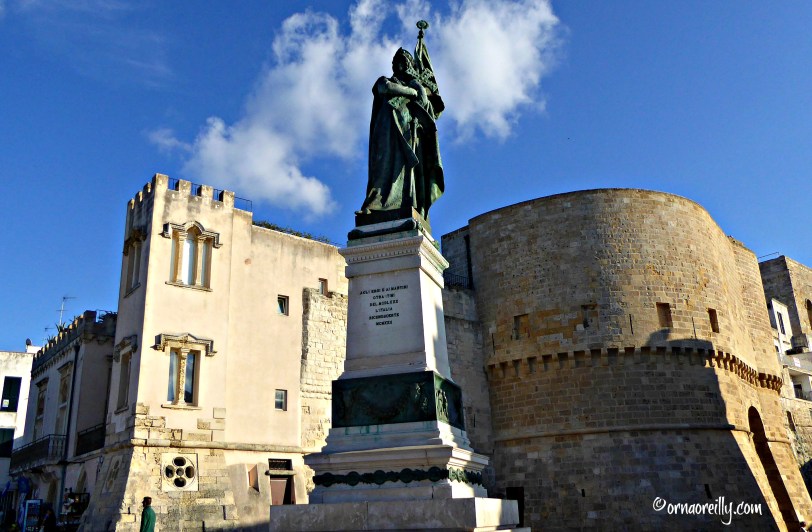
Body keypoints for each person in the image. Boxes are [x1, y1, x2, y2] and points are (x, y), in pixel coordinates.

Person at [358, 46, 444, 221]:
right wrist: (412, 91)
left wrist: (419, 87)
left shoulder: (415, 86)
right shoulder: (384, 81)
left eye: (404, 62)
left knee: (404, 171)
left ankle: (406, 203)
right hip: (385, 131)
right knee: (382, 167)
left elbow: (427, 109)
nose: (400, 65)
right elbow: (385, 87)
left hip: (407, 134)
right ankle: (375, 204)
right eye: (397, 61)